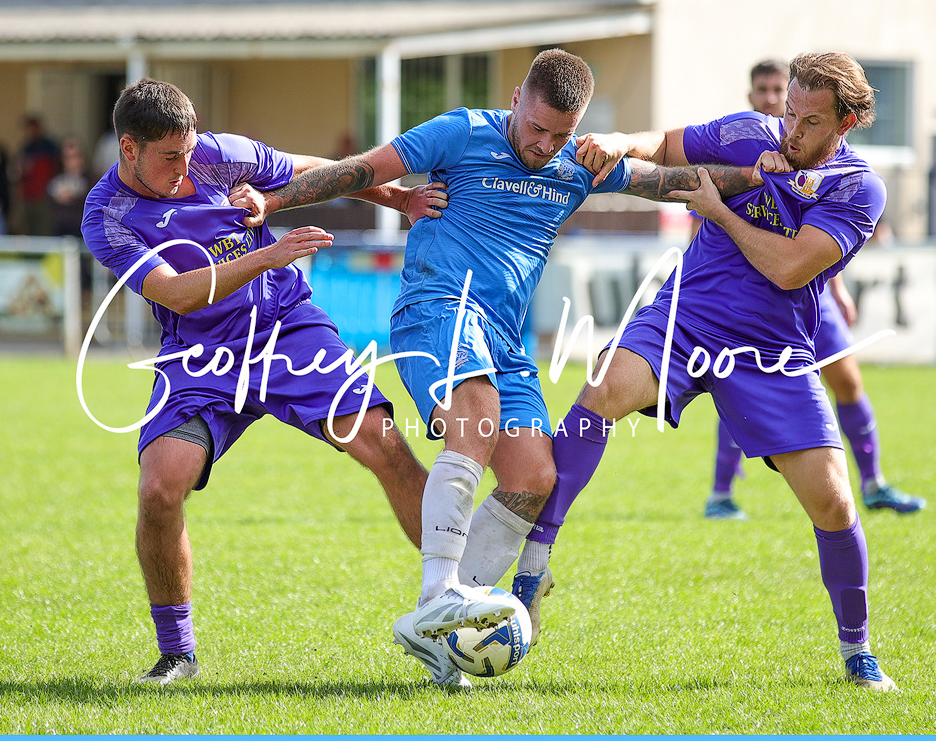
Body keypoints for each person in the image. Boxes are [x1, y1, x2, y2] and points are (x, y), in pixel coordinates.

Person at [234, 49, 770, 687]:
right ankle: (439, 596)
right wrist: (273, 202)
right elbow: (359, 170)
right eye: (536, 127)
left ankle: (449, 636)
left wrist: (776, 174)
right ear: (517, 97)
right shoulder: (459, 132)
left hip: (508, 340)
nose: (545, 145)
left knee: (532, 475)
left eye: (560, 135)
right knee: (477, 414)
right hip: (437, 309)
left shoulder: (580, 163)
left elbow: (678, 182)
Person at [533, 52, 899, 690]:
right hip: (685, 318)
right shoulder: (747, 134)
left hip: (772, 352)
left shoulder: (857, 188)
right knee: (604, 388)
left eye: (810, 122)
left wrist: (723, 208)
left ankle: (857, 649)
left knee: (836, 504)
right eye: (788, 113)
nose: (791, 130)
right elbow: (668, 144)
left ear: (849, 121)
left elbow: (789, 269)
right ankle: (532, 565)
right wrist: (620, 142)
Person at [80, 78, 445, 686]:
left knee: (384, 444)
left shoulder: (217, 154)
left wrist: (399, 199)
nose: (185, 165)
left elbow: (321, 169)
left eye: (189, 149)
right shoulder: (108, 216)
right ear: (128, 149)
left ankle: (458, 602)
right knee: (159, 491)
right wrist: (264, 256)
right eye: (170, 157)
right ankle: (178, 655)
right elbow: (175, 292)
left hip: (285, 327)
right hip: (201, 355)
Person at [697, 59, 924, 519]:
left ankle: (875, 481)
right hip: (756, 301)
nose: (771, 99)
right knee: (736, 384)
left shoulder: (828, 161)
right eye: (763, 91)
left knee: (848, 380)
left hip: (811, 297)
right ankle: (722, 492)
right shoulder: (747, 146)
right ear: (753, 99)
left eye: (778, 89)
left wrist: (837, 290)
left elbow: (816, 241)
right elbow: (712, 215)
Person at [18, 115, 60, 235]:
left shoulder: (50, 147)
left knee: (43, 231)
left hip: (44, 198)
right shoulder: (26, 147)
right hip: (27, 197)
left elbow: (55, 171)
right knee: (27, 231)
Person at [47, 137, 91, 237]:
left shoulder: (93, 180)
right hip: (59, 233)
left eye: (75, 156)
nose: (72, 161)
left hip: (83, 235)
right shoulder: (55, 179)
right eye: (67, 157)